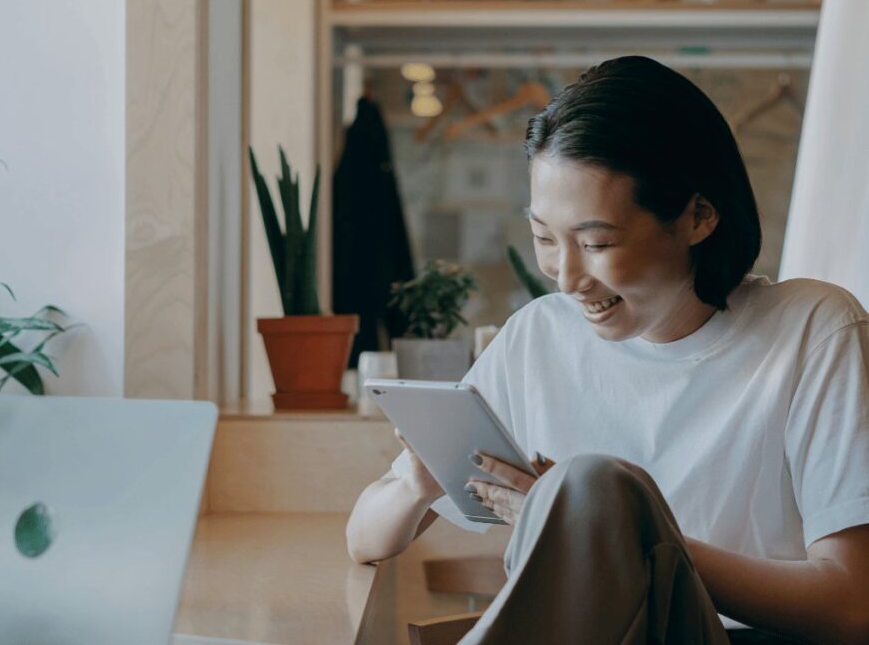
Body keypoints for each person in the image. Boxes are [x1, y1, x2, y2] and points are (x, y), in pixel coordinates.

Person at [345, 56, 869, 645]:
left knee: (594, 486)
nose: (566, 277)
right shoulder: (536, 338)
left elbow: (853, 601)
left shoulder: (814, 331)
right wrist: (419, 480)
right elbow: (365, 539)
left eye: (596, 242)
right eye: (544, 237)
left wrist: (612, 535)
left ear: (699, 215)